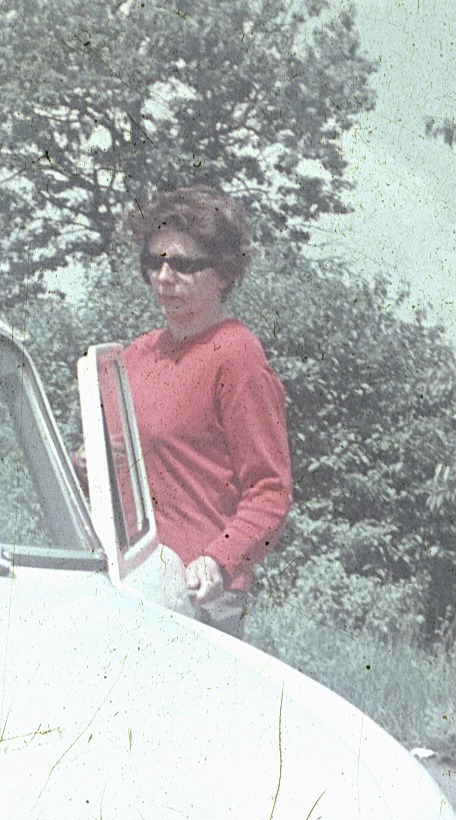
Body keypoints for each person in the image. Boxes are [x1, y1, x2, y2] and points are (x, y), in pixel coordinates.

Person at [121, 186, 291, 635]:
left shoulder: (237, 356)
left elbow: (270, 492)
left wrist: (218, 560)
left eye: (183, 264)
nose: (164, 276)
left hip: (200, 598)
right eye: (153, 262)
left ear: (222, 274)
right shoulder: (135, 356)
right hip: (131, 582)